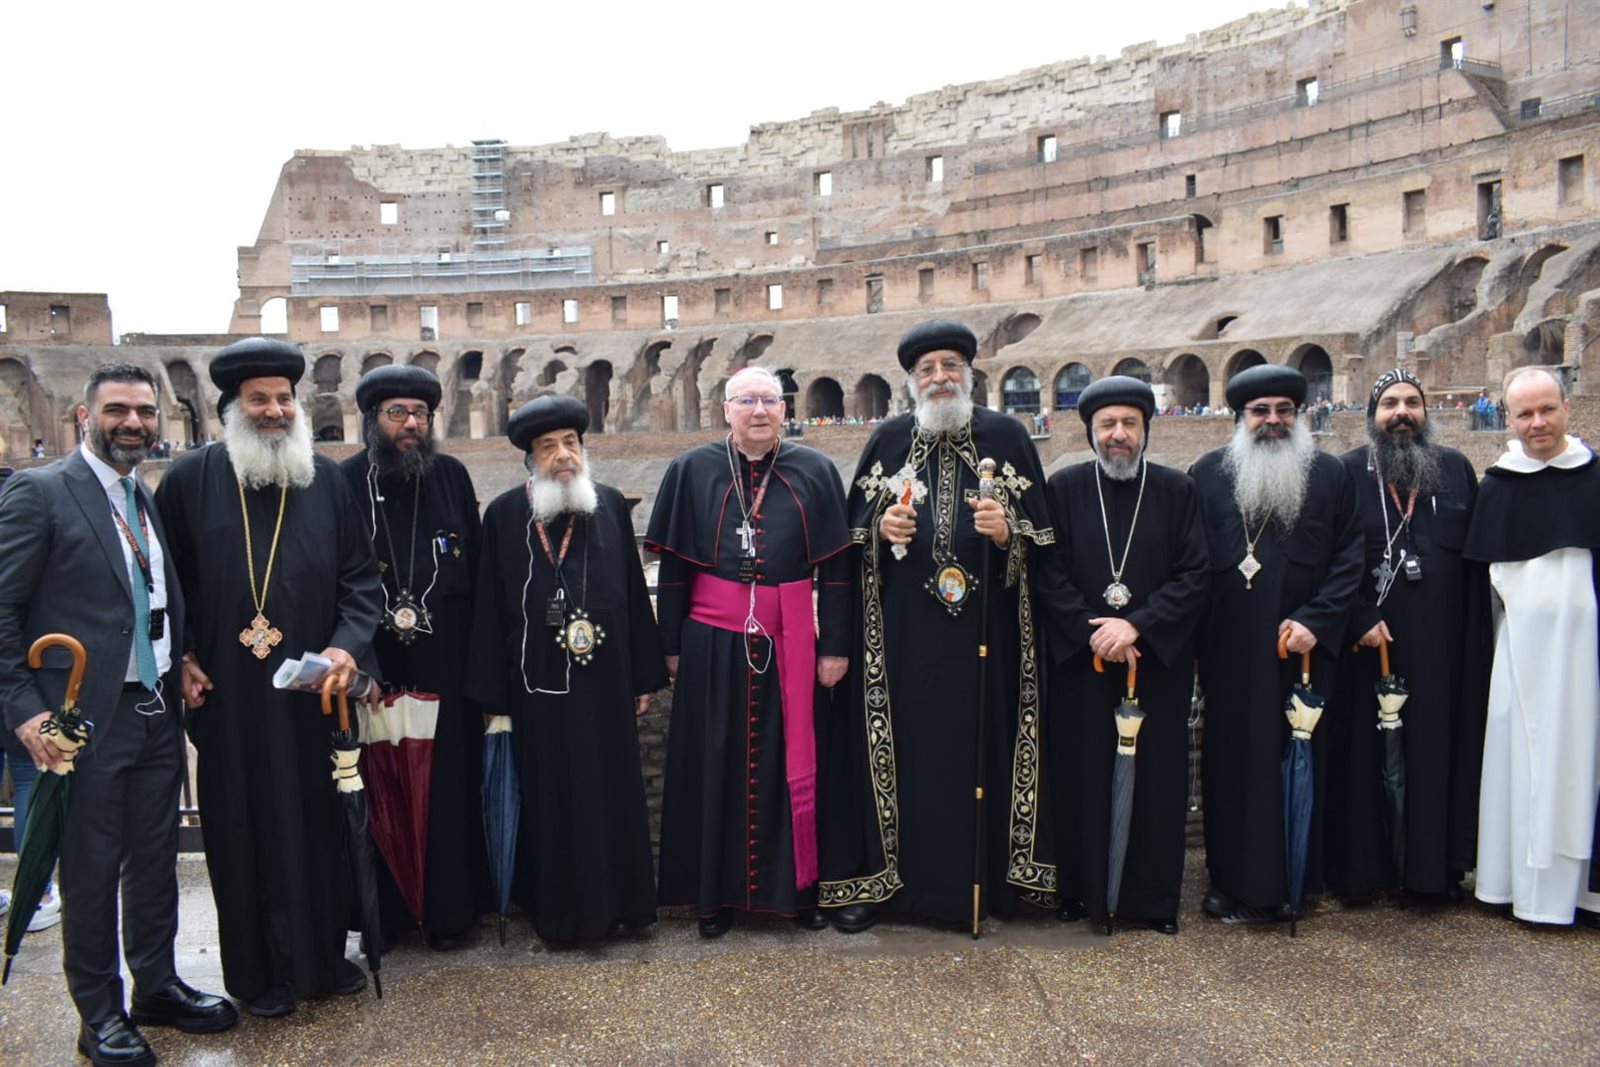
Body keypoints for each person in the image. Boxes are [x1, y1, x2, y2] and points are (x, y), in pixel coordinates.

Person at [0, 362, 236, 1067]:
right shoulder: (41, 492)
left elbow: (150, 596)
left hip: (154, 707)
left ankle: (157, 985)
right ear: (85, 416)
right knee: (91, 867)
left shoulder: (142, 494)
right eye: (117, 410)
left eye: (144, 411)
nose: (133, 422)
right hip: (83, 717)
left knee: (155, 859)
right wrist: (26, 712)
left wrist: (180, 655)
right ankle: (98, 1012)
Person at [154, 338, 383, 1017]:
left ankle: (320, 960)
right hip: (230, 697)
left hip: (313, 695)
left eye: (284, 398)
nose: (275, 410)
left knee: (317, 822)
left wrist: (346, 647)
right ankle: (257, 974)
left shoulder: (327, 480)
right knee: (242, 826)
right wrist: (183, 654)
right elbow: (168, 585)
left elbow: (361, 580)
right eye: (260, 399)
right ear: (232, 407)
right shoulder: (188, 481)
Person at [822, 319, 1057, 932]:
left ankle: (996, 885)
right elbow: (848, 543)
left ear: (969, 373)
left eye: (950, 365)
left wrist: (1008, 534)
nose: (939, 377)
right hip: (904, 644)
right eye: (927, 369)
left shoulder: (1007, 436)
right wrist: (880, 531)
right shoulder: (888, 440)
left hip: (988, 640)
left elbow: (1046, 544)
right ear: (911, 381)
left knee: (984, 755)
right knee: (905, 759)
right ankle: (892, 885)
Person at [646, 367, 851, 937]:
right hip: (711, 641)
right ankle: (713, 899)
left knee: (793, 765)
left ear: (784, 409)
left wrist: (834, 648)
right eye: (746, 401)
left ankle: (798, 892)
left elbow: (836, 571)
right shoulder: (691, 469)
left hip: (791, 640)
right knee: (714, 766)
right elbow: (675, 569)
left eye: (769, 400)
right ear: (726, 410)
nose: (759, 410)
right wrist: (670, 646)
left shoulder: (815, 470)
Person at [462, 396, 664, 944]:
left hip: (606, 682)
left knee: (612, 792)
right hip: (537, 689)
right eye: (548, 447)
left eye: (570, 443)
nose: (563, 456)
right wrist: (493, 696)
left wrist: (643, 677)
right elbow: (489, 606)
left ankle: (623, 907)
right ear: (531, 459)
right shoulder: (505, 514)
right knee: (551, 798)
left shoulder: (609, 505)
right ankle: (563, 916)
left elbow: (632, 594)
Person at [1188, 364, 1362, 924]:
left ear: (1299, 415)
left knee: (1299, 762)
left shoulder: (1330, 475)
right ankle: (1229, 881)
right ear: (1240, 418)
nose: (1273, 421)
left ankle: (1295, 881)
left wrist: (1319, 619)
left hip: (1301, 650)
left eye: (1284, 411)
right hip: (1230, 653)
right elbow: (1190, 562)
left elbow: (1349, 558)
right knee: (1231, 766)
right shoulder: (1207, 474)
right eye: (1260, 411)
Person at [1038, 376, 1209, 935]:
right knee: (1081, 774)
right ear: (1090, 432)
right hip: (1084, 663)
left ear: (1146, 430)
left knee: (1157, 782)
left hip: (1153, 661)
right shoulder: (1064, 488)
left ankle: (1151, 902)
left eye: (1129, 423)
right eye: (1107, 424)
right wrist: (1093, 633)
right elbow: (1049, 572)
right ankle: (1079, 893)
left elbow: (1195, 573)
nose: (1119, 434)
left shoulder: (1177, 490)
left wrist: (1138, 625)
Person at [1324, 369, 1491, 905]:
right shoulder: (1345, 473)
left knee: (1434, 757)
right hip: (1368, 647)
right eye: (1389, 403)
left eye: (1412, 403)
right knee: (1363, 759)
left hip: (1441, 648)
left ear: (1425, 412)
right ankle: (1361, 875)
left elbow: (1476, 565)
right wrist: (1356, 615)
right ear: (1372, 415)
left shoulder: (1455, 469)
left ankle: (1430, 874)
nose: (1402, 413)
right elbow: (1328, 558)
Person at [339, 364, 486, 949]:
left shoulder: (450, 476)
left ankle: (450, 914)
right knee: (375, 786)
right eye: (396, 413)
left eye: (420, 414)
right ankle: (387, 917)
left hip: (445, 661)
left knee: (446, 789)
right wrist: (359, 663)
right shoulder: (344, 482)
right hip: (373, 664)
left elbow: (476, 574)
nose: (410, 424)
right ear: (372, 420)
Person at [1463, 366, 1600, 925]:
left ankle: (1584, 894)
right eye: (1525, 413)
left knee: (1582, 764)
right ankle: (1513, 887)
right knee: (1517, 765)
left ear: (1567, 408)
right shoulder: (1497, 486)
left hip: (1587, 658)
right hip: (1516, 656)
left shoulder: (1595, 476)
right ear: (1508, 418)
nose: (1538, 422)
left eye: (1547, 410)